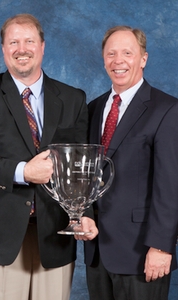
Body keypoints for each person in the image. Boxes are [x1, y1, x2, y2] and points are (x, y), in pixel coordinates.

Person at [0, 13, 98, 300]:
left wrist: (85, 215)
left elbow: (82, 169)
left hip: (56, 233)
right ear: (3, 49)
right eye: (13, 42)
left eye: (29, 41)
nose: (21, 49)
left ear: (43, 46)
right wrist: (23, 172)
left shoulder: (73, 98)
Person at [84, 25, 178, 300]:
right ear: (103, 59)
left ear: (143, 59)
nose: (118, 60)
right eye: (111, 53)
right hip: (98, 250)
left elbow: (170, 186)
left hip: (142, 253)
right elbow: (89, 174)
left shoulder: (167, 110)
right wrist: (84, 216)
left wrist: (161, 247)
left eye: (127, 52)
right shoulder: (94, 108)